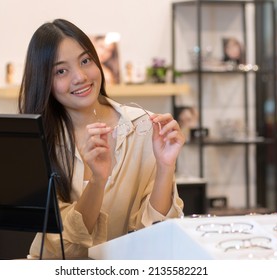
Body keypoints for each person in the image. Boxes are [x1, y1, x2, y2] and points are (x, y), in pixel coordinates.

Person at [18, 19, 185, 259]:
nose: (80, 77)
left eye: (85, 61)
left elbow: (156, 232)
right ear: (44, 81)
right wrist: (98, 180)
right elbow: (61, 246)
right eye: (61, 71)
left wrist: (165, 167)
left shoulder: (144, 126)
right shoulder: (39, 140)